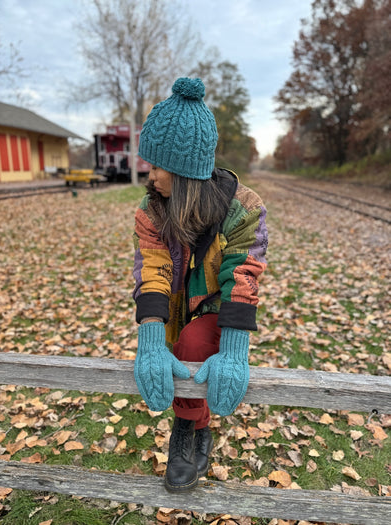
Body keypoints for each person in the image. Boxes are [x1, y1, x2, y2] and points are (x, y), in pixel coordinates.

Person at [132, 77, 268, 492]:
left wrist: (234, 353)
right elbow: (151, 269)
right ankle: (201, 424)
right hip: (173, 303)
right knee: (175, 347)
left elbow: (242, 277)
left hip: (216, 307)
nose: (149, 175)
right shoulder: (152, 209)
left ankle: (185, 431)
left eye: (157, 166)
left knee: (193, 345)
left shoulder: (242, 210)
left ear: (184, 171)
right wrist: (151, 341)